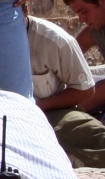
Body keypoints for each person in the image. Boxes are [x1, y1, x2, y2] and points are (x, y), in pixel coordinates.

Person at [27, 15, 105, 167]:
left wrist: (39, 106)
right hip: (8, 117)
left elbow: (85, 90)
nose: (82, 18)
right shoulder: (94, 29)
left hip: (49, 110)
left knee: (91, 133)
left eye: (84, 11)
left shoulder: (52, 40)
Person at [63, 0, 105, 111]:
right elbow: (71, 56)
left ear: (102, 0)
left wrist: (66, 110)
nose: (81, 19)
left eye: (84, 11)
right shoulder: (96, 28)